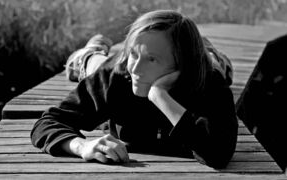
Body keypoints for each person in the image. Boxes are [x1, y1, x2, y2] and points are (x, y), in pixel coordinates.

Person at [30, 9, 238, 169]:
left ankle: (207, 49)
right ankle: (93, 49)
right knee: (90, 63)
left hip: (207, 61)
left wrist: (160, 96)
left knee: (218, 63)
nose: (137, 68)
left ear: (181, 67)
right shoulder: (119, 75)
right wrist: (81, 146)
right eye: (135, 55)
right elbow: (47, 122)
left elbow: (218, 154)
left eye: (152, 59)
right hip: (107, 64)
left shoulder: (210, 83)